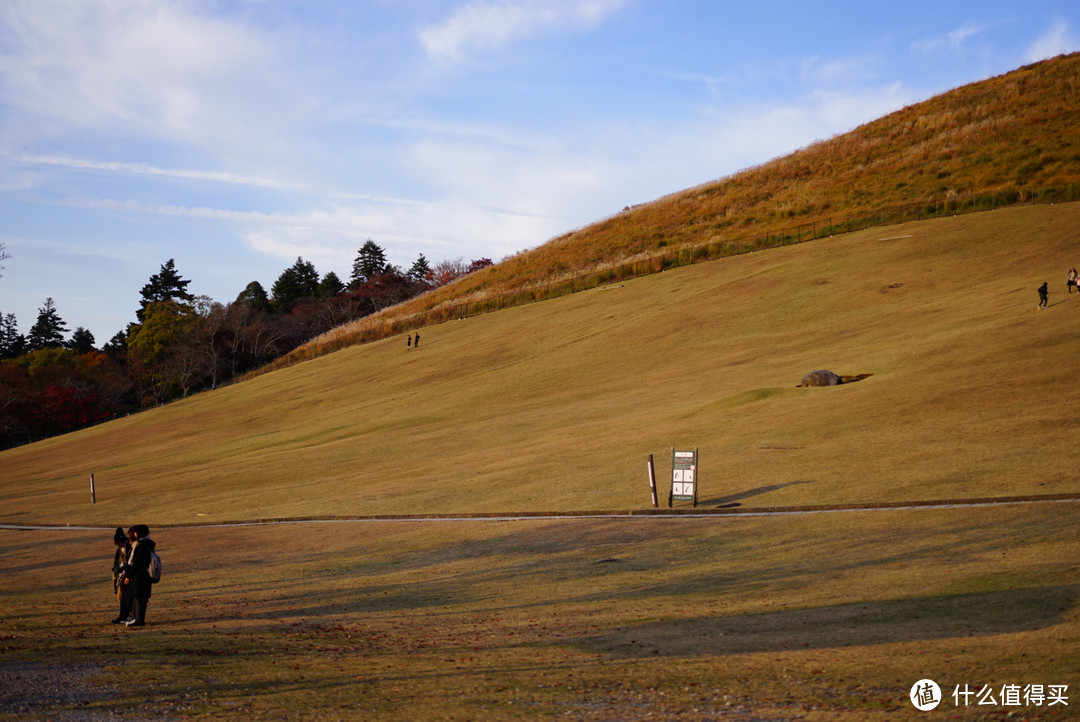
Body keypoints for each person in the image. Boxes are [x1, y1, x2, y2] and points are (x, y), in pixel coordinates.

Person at [119, 524, 155, 627]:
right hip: (143, 574)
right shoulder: (148, 545)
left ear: (136, 534)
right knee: (138, 597)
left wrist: (128, 576)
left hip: (139, 575)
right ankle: (136, 618)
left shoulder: (141, 546)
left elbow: (135, 563)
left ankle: (138, 619)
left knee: (139, 597)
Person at [110, 527, 132, 624]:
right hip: (120, 576)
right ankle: (122, 616)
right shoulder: (119, 550)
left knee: (126, 597)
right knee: (121, 597)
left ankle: (126, 615)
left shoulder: (128, 549)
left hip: (126, 575)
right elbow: (116, 564)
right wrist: (115, 575)